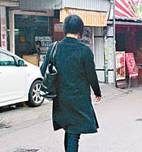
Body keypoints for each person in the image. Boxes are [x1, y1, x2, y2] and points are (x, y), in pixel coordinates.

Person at [43, 14, 102, 152]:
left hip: (61, 97)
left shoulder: (55, 48)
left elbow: (43, 70)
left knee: (70, 130)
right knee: (74, 132)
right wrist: (97, 92)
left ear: (65, 29)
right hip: (79, 97)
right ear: (81, 30)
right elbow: (91, 75)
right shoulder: (85, 50)